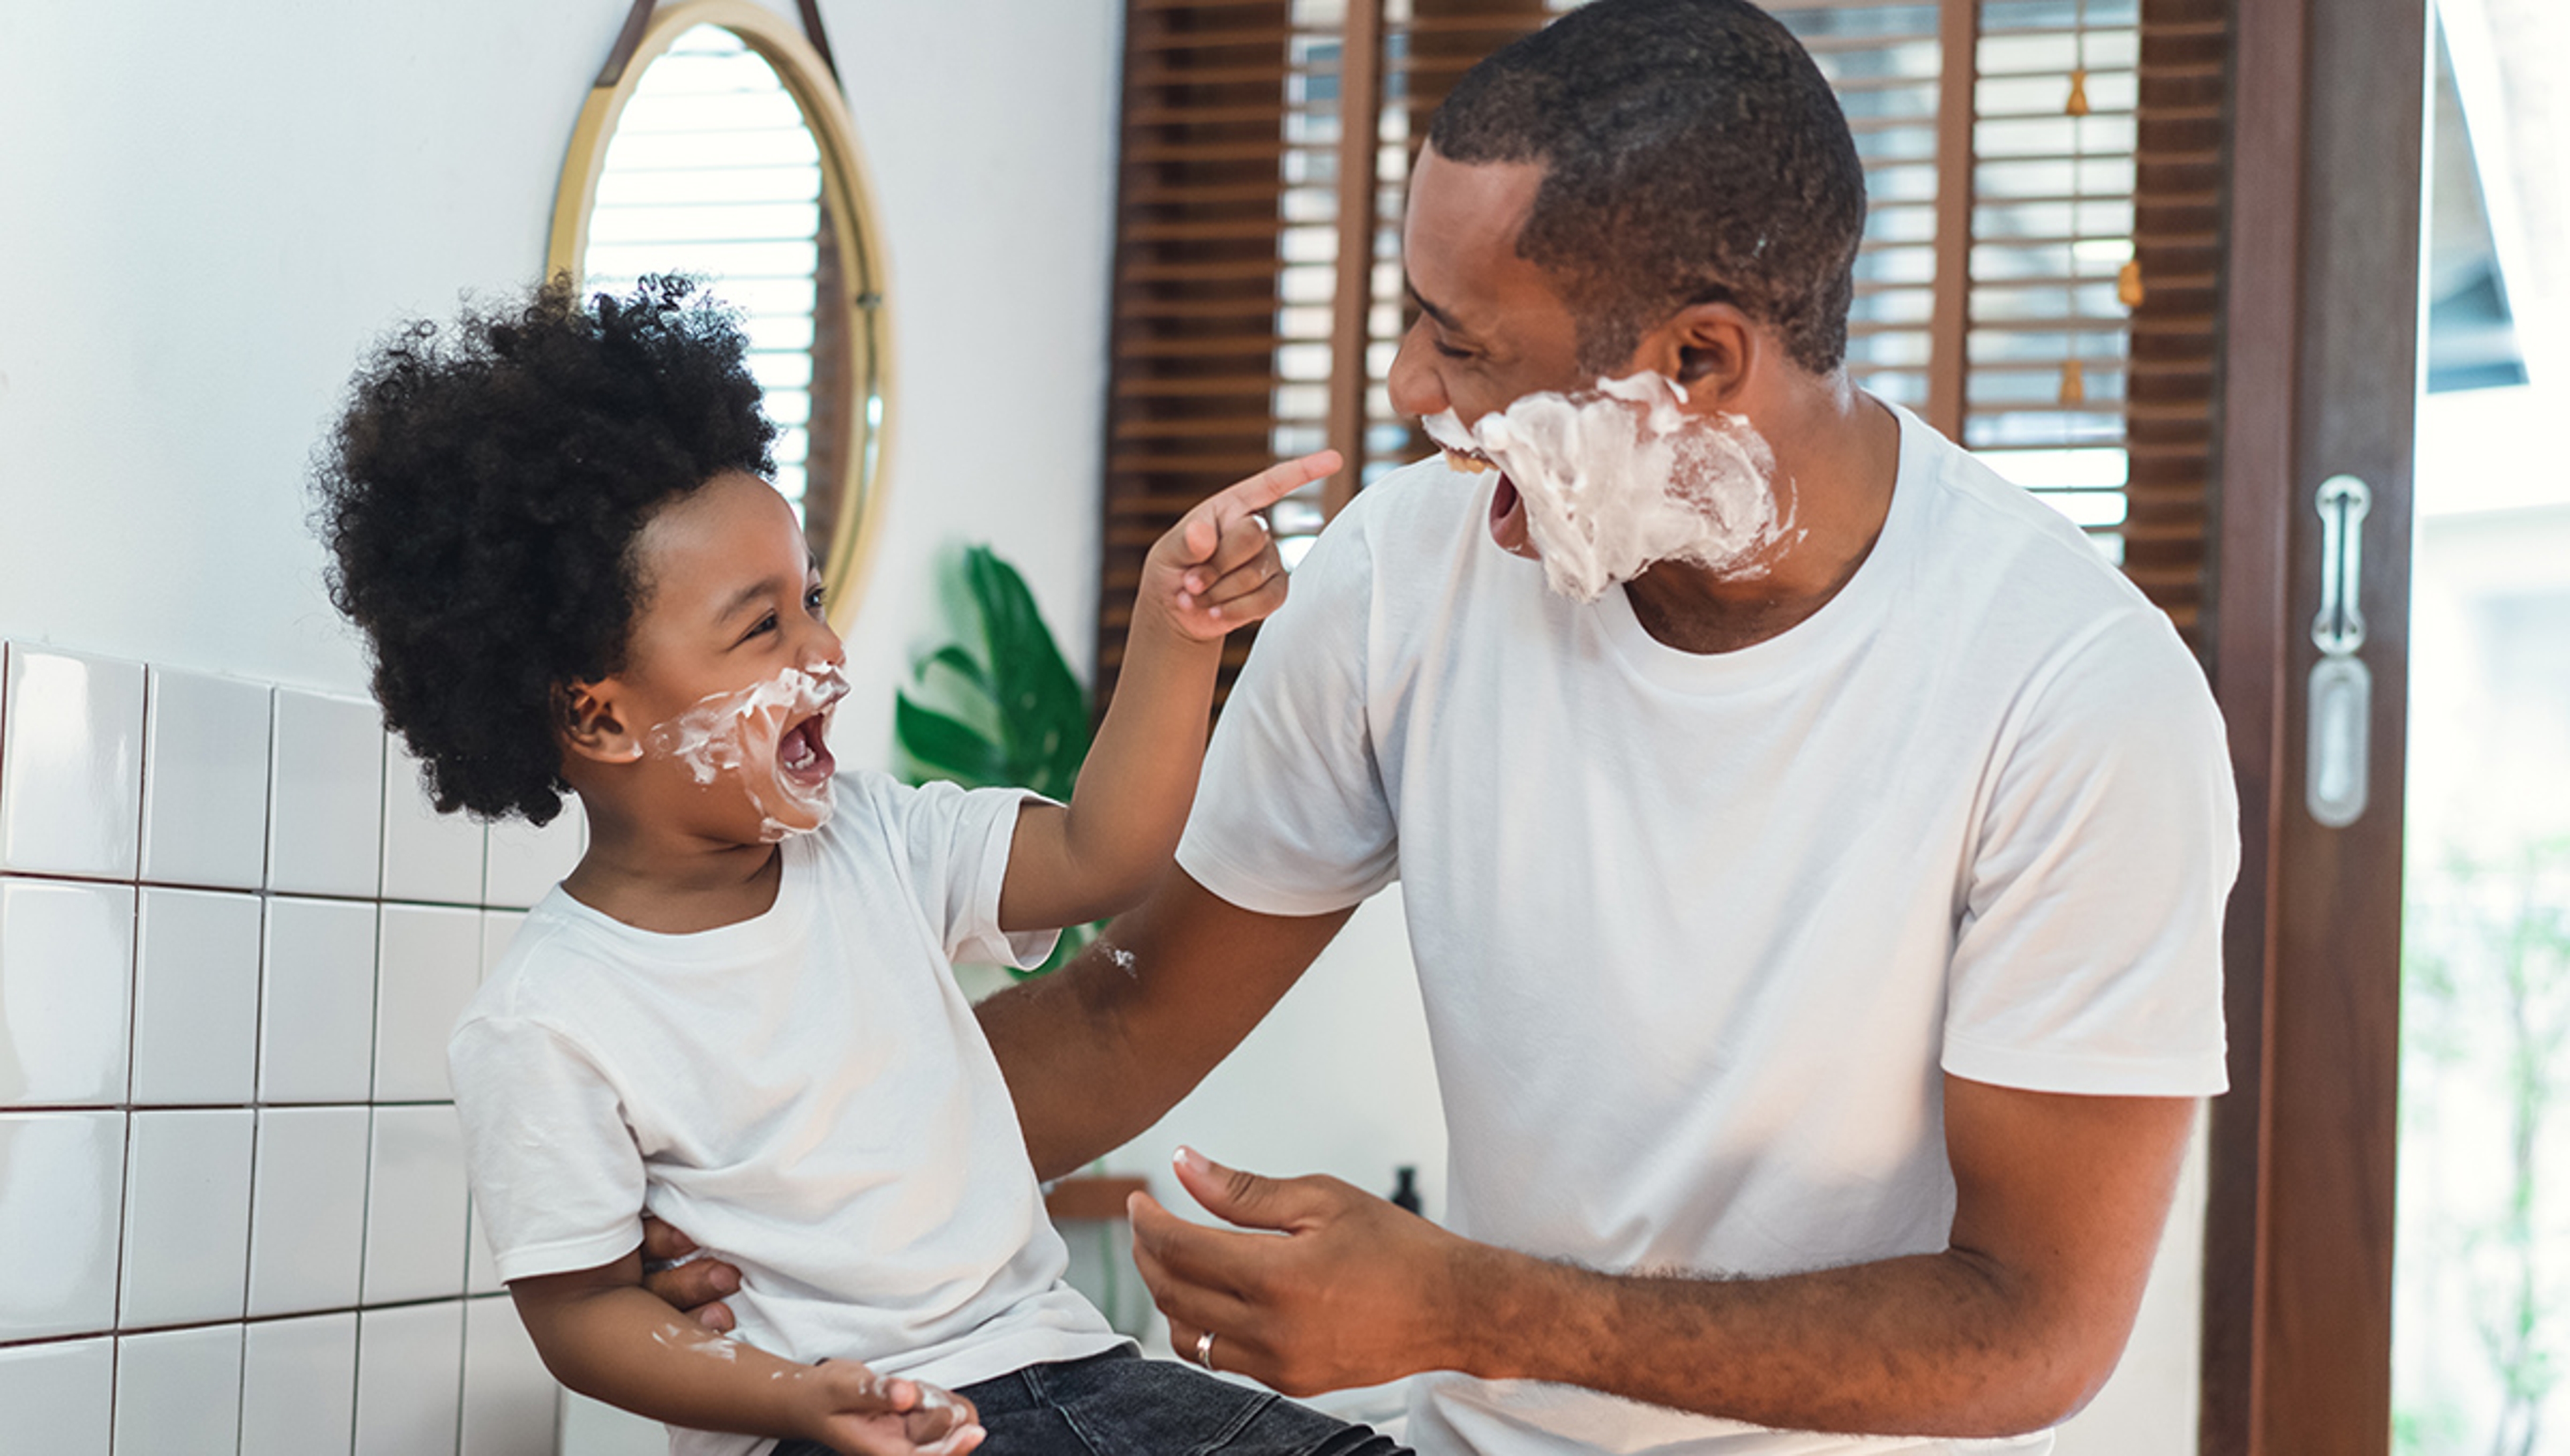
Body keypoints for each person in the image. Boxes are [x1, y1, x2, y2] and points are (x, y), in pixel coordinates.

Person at [645, 1, 2239, 1451]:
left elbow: (2034, 1324)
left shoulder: (2075, 700)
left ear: (1696, 364)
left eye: (1465, 342)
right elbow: (1127, 1014)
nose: (1407, 383)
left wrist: (1466, 1306)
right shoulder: (1408, 578)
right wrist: (772, 1189)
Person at [315, 276, 1407, 1456]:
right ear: (602, 718)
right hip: (844, 1423)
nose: (824, 652)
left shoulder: (875, 842)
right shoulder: (547, 1018)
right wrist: (792, 1397)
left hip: (1073, 1369)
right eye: (762, 626)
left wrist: (1177, 634)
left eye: (815, 601)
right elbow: (581, 1313)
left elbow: (1104, 856)